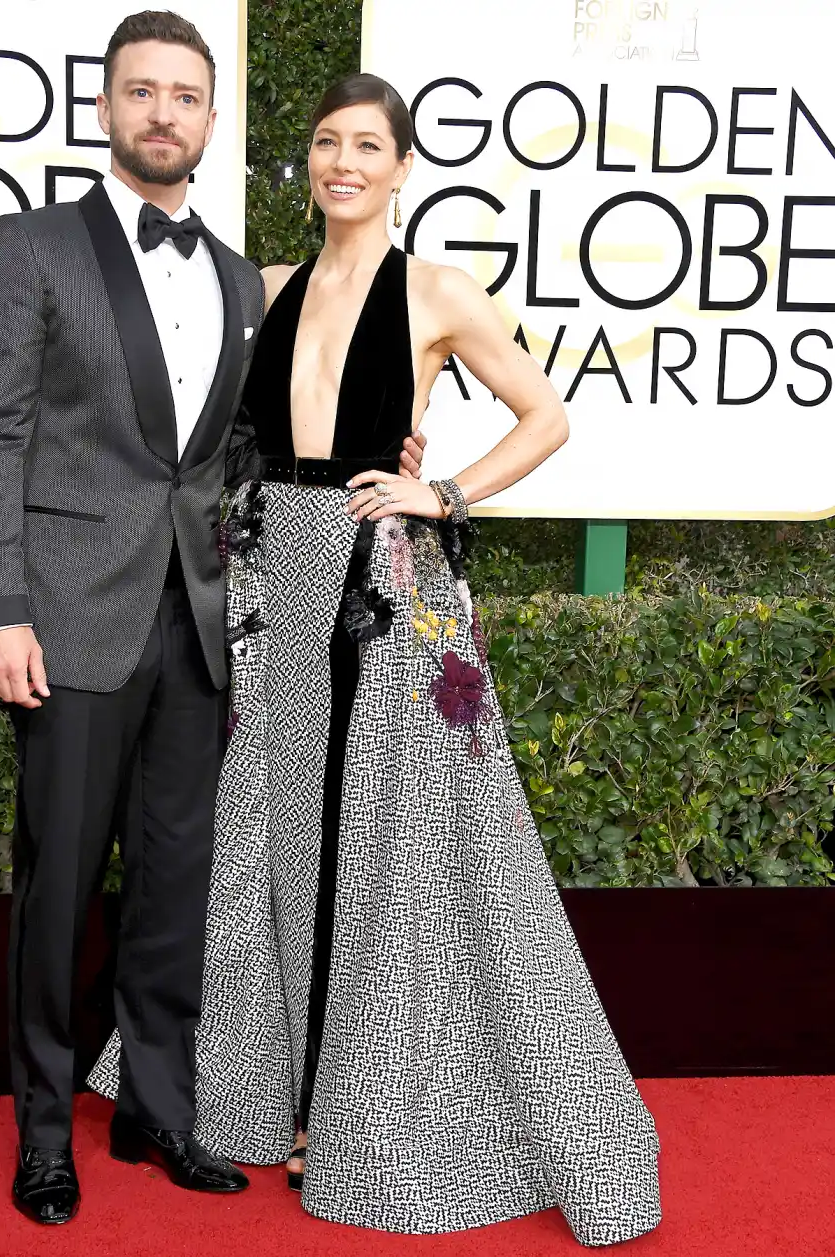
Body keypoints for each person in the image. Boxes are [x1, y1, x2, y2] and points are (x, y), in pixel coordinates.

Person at [90, 72, 661, 1244]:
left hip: (376, 587)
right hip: (267, 588)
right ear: (305, 164)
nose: (341, 161)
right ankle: (259, 1091)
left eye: (366, 145)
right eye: (324, 143)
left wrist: (441, 491)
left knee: (384, 849)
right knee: (268, 840)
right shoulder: (265, 290)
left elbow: (546, 417)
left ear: (402, 167)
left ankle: (354, 1116)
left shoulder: (437, 288)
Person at [0, 12, 424, 1228]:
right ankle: (46, 1132)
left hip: (203, 628)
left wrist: (401, 455)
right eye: (142, 92)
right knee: (59, 886)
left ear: (213, 122)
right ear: (107, 109)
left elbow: (242, 452)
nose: (164, 112)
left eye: (186, 96)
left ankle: (158, 1108)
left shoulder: (232, 276)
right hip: (63, 619)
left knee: (175, 887)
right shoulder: (30, 245)